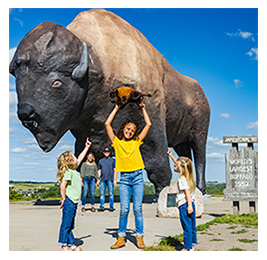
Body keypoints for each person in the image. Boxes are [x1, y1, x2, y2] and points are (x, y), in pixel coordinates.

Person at [105, 102, 152, 249]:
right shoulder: (116, 142)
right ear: (123, 129)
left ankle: (139, 237)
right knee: (124, 209)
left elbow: (148, 124)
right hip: (124, 179)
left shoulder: (136, 142)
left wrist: (143, 109)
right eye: (128, 129)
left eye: (133, 130)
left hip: (138, 177)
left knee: (137, 209)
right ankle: (121, 238)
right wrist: (117, 108)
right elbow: (107, 123)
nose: (130, 131)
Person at [57, 138, 91, 251]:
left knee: (70, 225)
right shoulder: (69, 172)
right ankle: (63, 245)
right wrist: (63, 198)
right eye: (74, 156)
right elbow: (62, 186)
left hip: (74, 201)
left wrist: (87, 147)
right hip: (70, 201)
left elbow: (80, 158)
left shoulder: (74, 171)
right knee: (66, 224)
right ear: (70, 161)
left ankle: (71, 244)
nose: (77, 158)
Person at [167, 149, 197, 251]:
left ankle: (187, 248)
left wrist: (188, 206)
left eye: (176, 166)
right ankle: (192, 244)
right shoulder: (187, 176)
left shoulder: (181, 179)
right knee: (192, 225)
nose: (174, 166)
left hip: (185, 205)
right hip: (191, 204)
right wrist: (172, 156)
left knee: (186, 226)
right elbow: (180, 164)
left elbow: (187, 193)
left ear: (181, 168)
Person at [97, 147, 117, 212]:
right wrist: (98, 180)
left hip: (110, 179)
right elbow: (99, 171)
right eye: (105, 152)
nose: (106, 153)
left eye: (108, 152)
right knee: (102, 194)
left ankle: (111, 207)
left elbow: (115, 170)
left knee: (111, 194)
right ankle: (101, 207)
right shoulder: (101, 161)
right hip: (102, 179)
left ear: (109, 153)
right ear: (103, 153)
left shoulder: (112, 160)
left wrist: (115, 180)